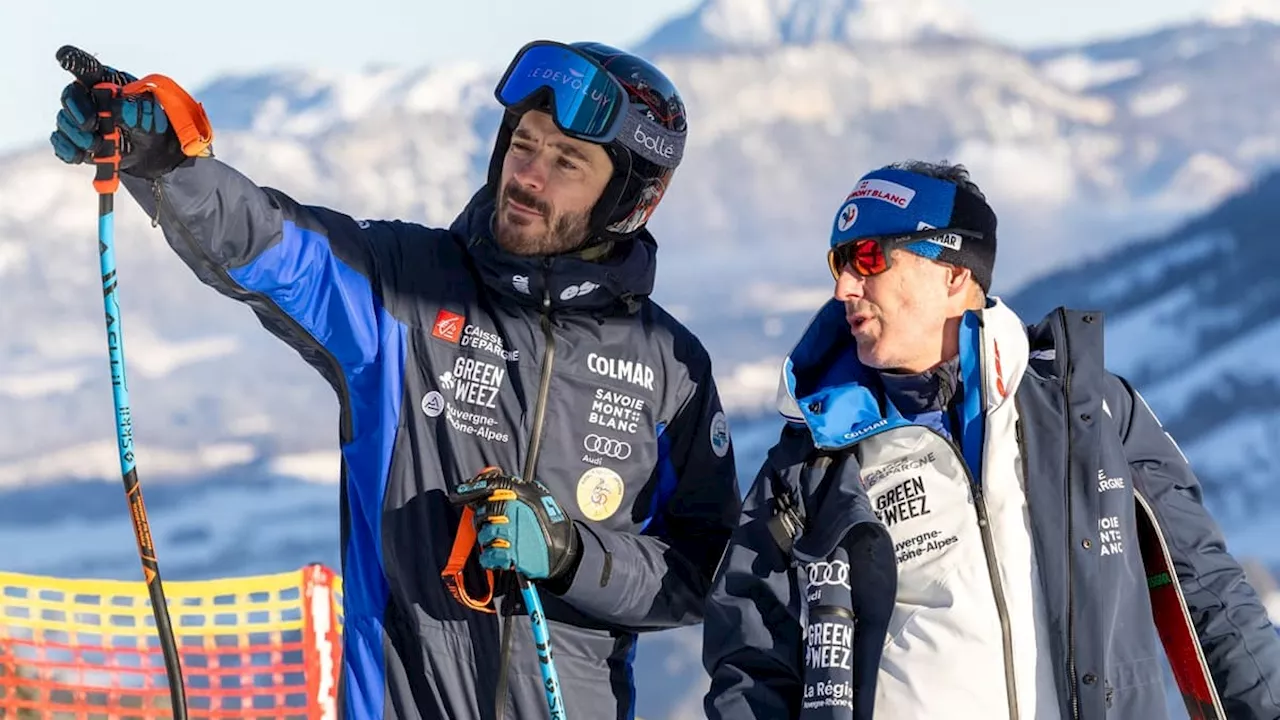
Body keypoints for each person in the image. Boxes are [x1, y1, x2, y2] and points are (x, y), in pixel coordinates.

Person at [50, 39, 742, 720]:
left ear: (628, 198)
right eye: (524, 144)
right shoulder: (403, 291)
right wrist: (164, 162)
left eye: (567, 162)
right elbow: (268, 243)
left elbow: (702, 571)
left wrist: (571, 557)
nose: (528, 174)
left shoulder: (670, 367)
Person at [700, 160, 1280, 719]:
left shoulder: (1090, 411)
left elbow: (1208, 593)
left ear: (954, 274)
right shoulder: (810, 464)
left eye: (868, 258)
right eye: (838, 263)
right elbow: (749, 661)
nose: (845, 286)